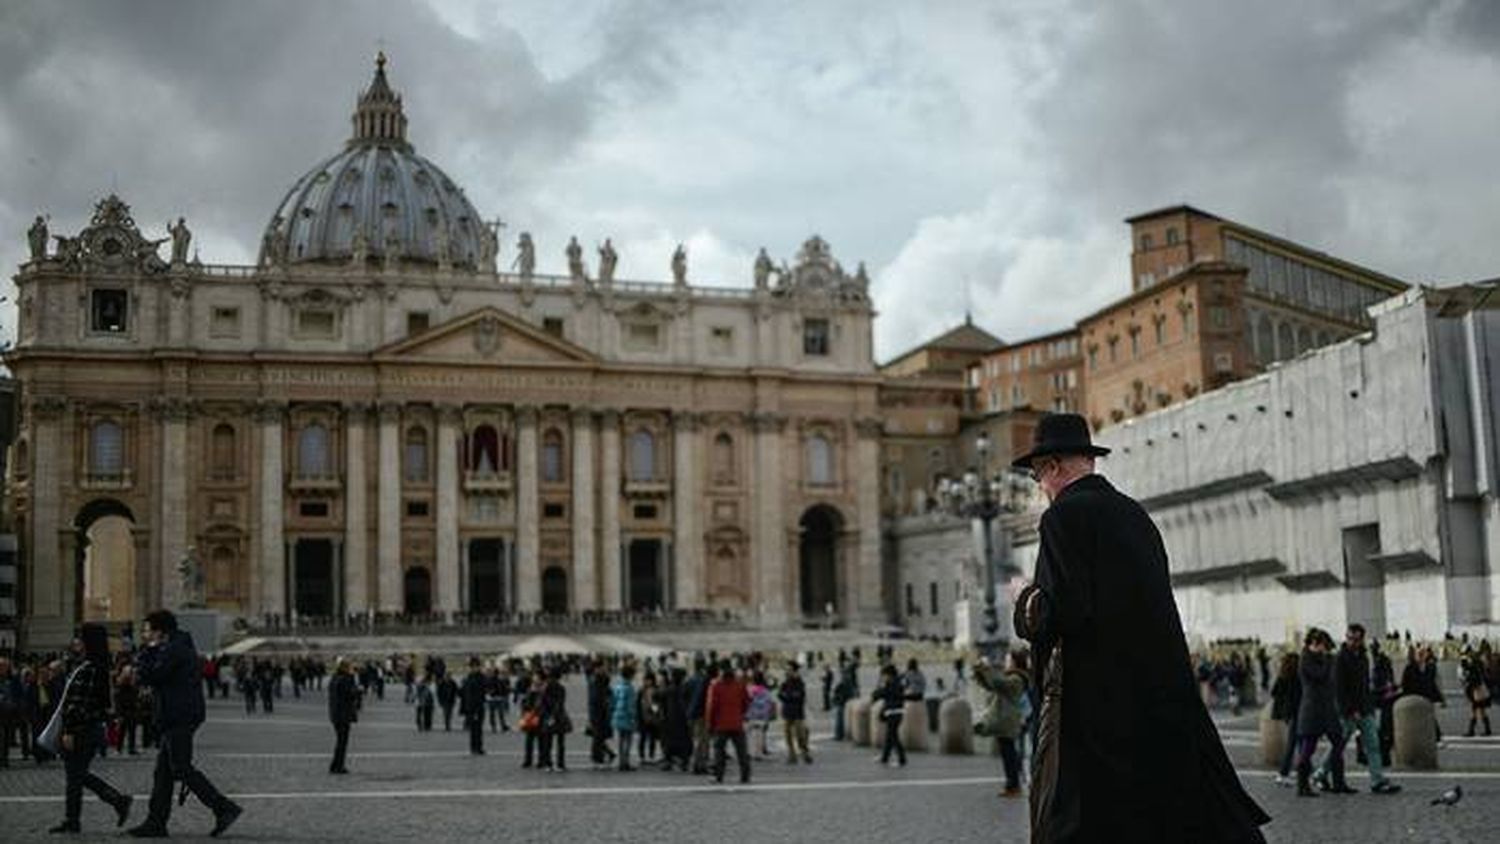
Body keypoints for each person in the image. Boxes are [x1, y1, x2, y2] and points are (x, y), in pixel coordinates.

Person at [1010, 413, 1269, 842]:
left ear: (1053, 466)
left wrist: (1025, 601)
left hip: (1095, 707)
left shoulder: (1063, 518)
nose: (1041, 486)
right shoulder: (1135, 515)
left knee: (1088, 820)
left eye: (1039, 475)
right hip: (1159, 695)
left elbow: (1066, 610)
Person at [128, 609, 242, 838]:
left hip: (179, 715)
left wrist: (144, 654)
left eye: (148, 630)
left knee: (180, 767)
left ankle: (224, 807)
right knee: (163, 772)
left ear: (160, 631)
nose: (145, 634)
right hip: (176, 714)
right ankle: (156, 822)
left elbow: (152, 676)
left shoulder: (173, 650)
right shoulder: (173, 647)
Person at [50, 623, 133, 833]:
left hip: (81, 729)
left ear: (88, 642)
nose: (75, 642)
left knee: (75, 776)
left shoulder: (89, 668)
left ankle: (112, 803)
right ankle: (79, 816)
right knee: (76, 775)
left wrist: (69, 730)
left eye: (79, 638)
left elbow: (78, 704)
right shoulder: (98, 666)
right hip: (90, 728)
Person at [1317, 624, 1400, 794]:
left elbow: (1364, 684)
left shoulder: (1363, 656)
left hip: (1365, 708)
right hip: (1348, 711)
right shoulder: (1340, 658)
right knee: (1338, 746)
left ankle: (1377, 780)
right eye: (1349, 638)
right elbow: (1339, 688)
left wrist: (1369, 703)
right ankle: (1320, 774)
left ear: (1362, 639)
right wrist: (1349, 709)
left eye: (1355, 639)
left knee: (1373, 745)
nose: (1352, 642)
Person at [1294, 629, 1349, 798]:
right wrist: (1326, 659)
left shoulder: (1326, 659)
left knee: (1339, 743)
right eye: (1324, 646)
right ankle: (1302, 785)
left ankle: (1339, 783)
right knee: (1308, 748)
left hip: (1327, 709)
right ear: (1315, 644)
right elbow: (1320, 675)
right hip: (1312, 710)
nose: (1327, 650)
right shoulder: (1306, 659)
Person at [975, 651, 1028, 797]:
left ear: (1015, 662)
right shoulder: (1013, 677)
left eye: (1008, 659)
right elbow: (992, 685)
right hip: (1004, 719)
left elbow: (999, 683)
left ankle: (1014, 785)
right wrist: (980, 673)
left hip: (1008, 720)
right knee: (1007, 753)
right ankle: (1011, 784)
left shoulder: (1017, 679)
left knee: (1009, 754)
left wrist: (987, 669)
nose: (1006, 662)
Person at [706, 661, 751, 784]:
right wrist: (740, 714)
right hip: (737, 723)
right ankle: (745, 775)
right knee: (741, 751)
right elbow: (746, 702)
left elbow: (712, 707)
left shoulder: (717, 687)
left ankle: (719, 776)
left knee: (719, 751)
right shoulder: (740, 686)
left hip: (721, 724)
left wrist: (710, 724)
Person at [1269, 652, 1301, 787]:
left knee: (1298, 743)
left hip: (1289, 713)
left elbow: (1274, 692)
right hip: (1297, 711)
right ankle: (1283, 773)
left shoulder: (1283, 675)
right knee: (1295, 743)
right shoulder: (1297, 677)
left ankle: (1304, 769)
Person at [327, 657, 361, 774]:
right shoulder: (345, 679)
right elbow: (350, 694)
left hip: (335, 714)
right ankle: (339, 766)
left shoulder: (334, 678)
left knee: (340, 742)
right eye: (350, 667)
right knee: (342, 742)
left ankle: (334, 764)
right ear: (345, 668)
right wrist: (356, 686)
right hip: (343, 715)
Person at [871, 664, 907, 767]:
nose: (883, 677)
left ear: (889, 674)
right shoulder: (895, 682)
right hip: (894, 711)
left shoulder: (894, 683)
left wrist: (877, 693)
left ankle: (902, 759)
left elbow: (886, 693)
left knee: (893, 736)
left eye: (884, 675)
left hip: (894, 711)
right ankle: (885, 757)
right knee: (889, 736)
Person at [659, 667, 694, 771]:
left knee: (669, 742)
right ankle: (684, 762)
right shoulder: (684, 688)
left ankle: (668, 761)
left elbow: (658, 697)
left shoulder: (669, 689)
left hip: (670, 719)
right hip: (682, 719)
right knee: (684, 741)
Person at [777, 662, 812, 764]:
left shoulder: (799, 682)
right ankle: (792, 755)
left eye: (789, 670)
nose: (787, 671)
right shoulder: (785, 683)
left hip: (797, 712)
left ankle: (805, 753)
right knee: (787, 735)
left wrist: (787, 697)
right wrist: (788, 697)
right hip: (787, 712)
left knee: (800, 734)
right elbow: (780, 695)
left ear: (794, 671)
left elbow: (799, 696)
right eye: (787, 670)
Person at [537, 667, 570, 772]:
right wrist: (555, 714)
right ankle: (560, 764)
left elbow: (542, 703)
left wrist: (547, 715)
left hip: (547, 716)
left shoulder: (545, 687)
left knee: (548, 742)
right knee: (560, 742)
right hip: (559, 716)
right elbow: (560, 703)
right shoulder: (561, 688)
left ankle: (548, 764)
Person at [610, 663, 639, 771]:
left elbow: (613, 702)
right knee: (628, 740)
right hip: (627, 717)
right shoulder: (629, 688)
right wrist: (633, 717)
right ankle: (625, 762)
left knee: (620, 741)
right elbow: (631, 705)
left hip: (617, 716)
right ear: (631, 675)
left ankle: (620, 762)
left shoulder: (617, 686)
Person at [1461, 645, 1492, 737]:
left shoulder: (1474, 662)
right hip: (1478, 687)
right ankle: (1486, 729)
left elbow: (1472, 675)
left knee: (1475, 709)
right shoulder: (1477, 661)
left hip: (1476, 688)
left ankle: (1471, 730)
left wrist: (1465, 663)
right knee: (1480, 709)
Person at [459, 657, 487, 756]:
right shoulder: (468, 678)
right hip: (470, 707)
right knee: (473, 729)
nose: (473, 668)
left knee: (478, 729)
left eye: (475, 666)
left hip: (478, 707)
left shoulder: (481, 677)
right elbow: (464, 694)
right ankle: (473, 747)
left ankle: (478, 747)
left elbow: (482, 693)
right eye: (472, 666)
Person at [745, 671, 775, 758]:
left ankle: (749, 752)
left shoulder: (749, 689)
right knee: (759, 734)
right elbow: (768, 704)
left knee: (749, 734)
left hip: (750, 715)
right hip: (761, 716)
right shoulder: (765, 691)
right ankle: (758, 753)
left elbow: (745, 702)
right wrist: (767, 716)